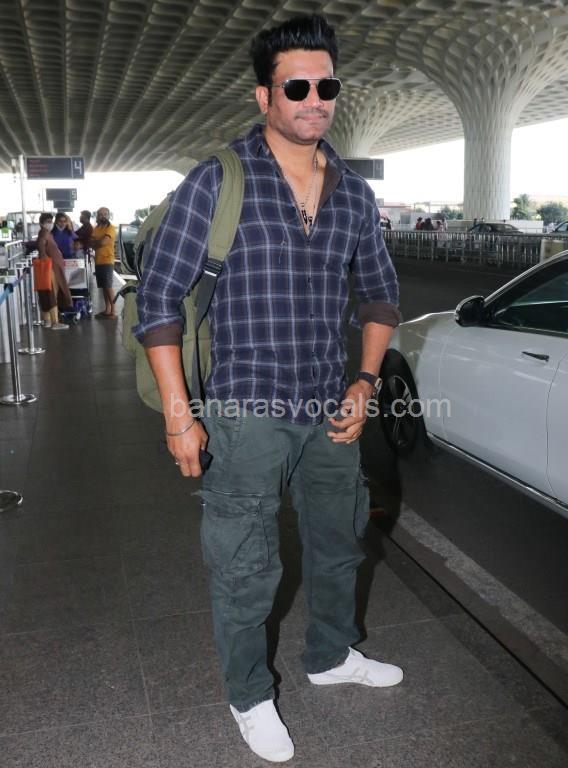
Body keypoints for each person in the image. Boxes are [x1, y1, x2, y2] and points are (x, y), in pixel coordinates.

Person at [135, 13, 402, 764]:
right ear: (265, 96)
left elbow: (379, 296)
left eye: (326, 87)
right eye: (296, 87)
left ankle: (331, 655)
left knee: (339, 542)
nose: (314, 100)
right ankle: (249, 695)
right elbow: (158, 301)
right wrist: (179, 417)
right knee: (246, 561)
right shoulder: (218, 179)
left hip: (329, 406)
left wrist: (364, 382)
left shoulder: (352, 193)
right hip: (244, 408)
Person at [35, 213, 71, 329]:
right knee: (51, 295)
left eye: (51, 221)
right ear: (41, 223)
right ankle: (55, 322)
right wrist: (47, 265)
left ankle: (47, 320)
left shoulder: (46, 233)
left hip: (52, 268)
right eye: (47, 221)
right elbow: (41, 249)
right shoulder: (44, 234)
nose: (50, 223)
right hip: (50, 269)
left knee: (47, 295)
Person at [91, 207, 117, 317]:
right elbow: (92, 243)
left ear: (109, 215)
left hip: (107, 260)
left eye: (105, 214)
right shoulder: (96, 228)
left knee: (108, 286)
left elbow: (103, 242)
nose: (103, 216)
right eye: (101, 214)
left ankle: (113, 311)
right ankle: (107, 309)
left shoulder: (111, 228)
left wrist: (96, 242)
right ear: (97, 216)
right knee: (103, 287)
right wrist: (98, 242)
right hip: (98, 260)